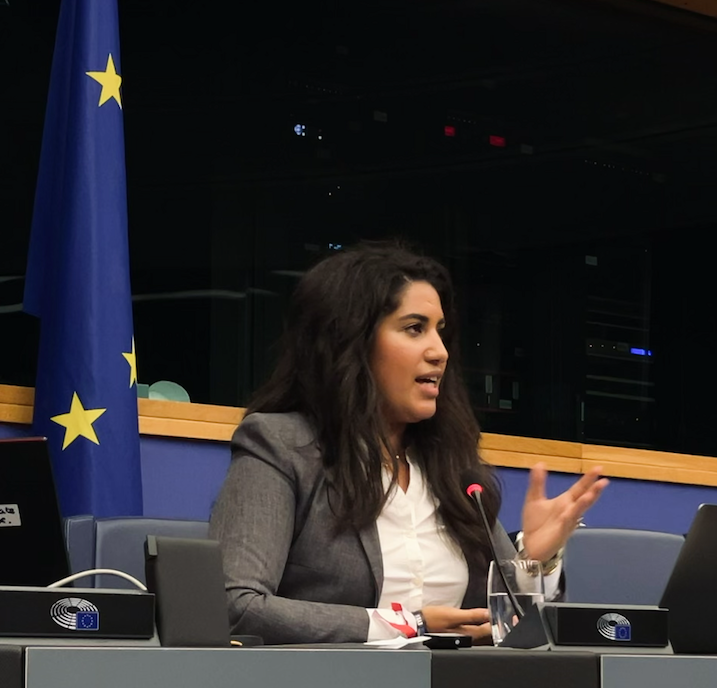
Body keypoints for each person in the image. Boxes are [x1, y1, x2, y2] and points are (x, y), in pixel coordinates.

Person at [210, 242, 607, 643]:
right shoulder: (281, 446)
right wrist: (409, 625)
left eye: (440, 331)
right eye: (414, 328)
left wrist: (531, 561)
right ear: (352, 341)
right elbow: (232, 605)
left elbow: (517, 631)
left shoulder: (451, 469)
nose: (440, 352)